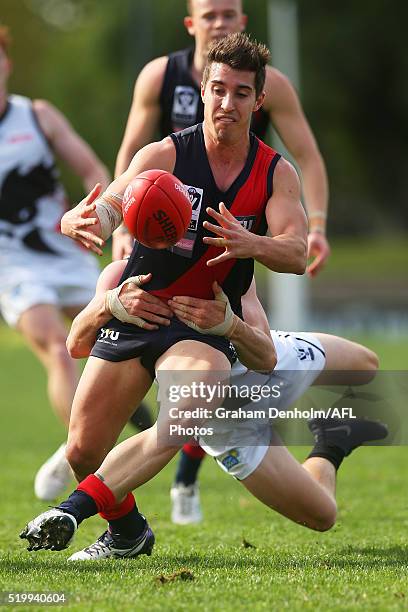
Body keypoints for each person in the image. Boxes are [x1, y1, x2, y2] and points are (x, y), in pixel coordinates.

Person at [33, 32, 310, 559]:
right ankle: (128, 532)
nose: (228, 104)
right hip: (139, 307)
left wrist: (251, 243)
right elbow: (113, 206)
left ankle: (73, 510)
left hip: (202, 322)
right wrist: (80, 218)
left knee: (186, 407)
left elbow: (295, 253)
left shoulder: (276, 173)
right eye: (219, 89)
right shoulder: (164, 155)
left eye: (242, 93)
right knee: (81, 449)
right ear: (202, 90)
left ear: (259, 99)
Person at [113, 0, 331, 521]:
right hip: (162, 237)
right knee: (103, 328)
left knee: (243, 342)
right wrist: (122, 222)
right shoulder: (160, 77)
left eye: (230, 13)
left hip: (234, 238)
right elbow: (131, 155)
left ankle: (193, 464)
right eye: (210, 14)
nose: (220, 23)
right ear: (191, 23)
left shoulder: (267, 83)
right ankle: (100, 456)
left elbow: (308, 154)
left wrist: (313, 226)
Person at [19, 258, 388, 557]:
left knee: (366, 365)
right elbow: (76, 343)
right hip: (228, 425)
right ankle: (333, 440)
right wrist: (107, 304)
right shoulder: (122, 277)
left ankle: (105, 506)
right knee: (323, 515)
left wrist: (229, 325)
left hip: (271, 368)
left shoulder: (227, 264)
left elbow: (266, 355)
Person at [0, 26, 110, 501]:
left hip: (67, 251)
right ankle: (85, 456)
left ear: (6, 63)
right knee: (55, 342)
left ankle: (95, 430)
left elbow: (92, 170)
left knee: (118, 336)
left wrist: (101, 215)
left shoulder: (37, 115)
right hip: (10, 264)